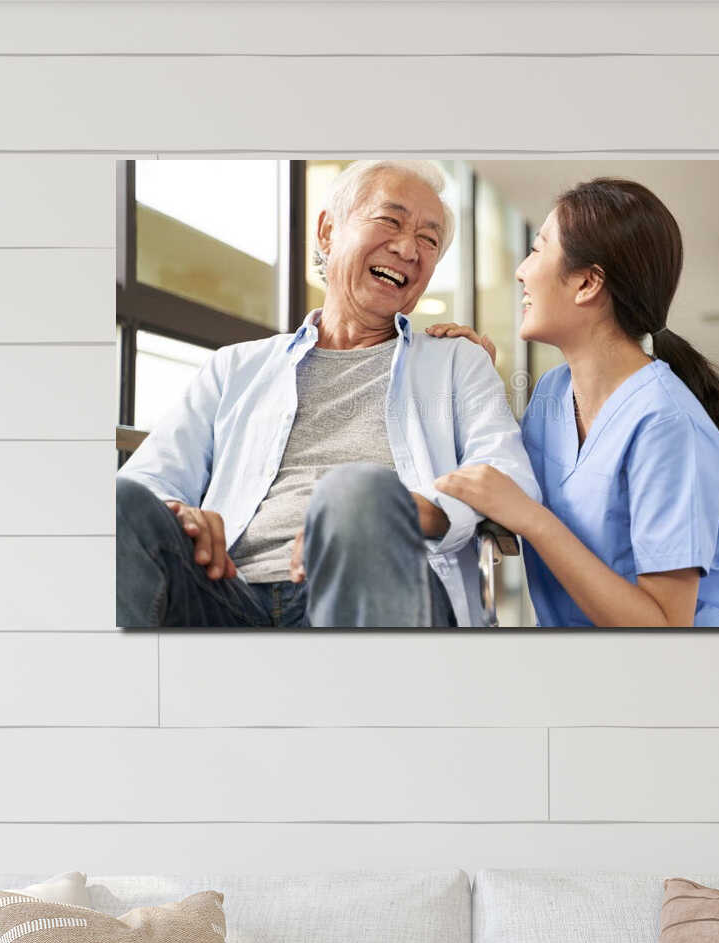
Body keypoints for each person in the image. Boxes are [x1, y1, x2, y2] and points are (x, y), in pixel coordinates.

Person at [115, 160, 538, 628]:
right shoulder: (236, 366)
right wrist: (181, 513)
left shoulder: (456, 361)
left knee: (356, 492)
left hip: (376, 590)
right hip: (226, 592)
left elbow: (508, 475)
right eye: (390, 220)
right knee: (121, 503)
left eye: (429, 239)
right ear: (327, 231)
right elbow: (152, 479)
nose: (407, 247)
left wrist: (415, 511)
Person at [430, 178, 719, 628]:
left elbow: (664, 627)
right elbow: (503, 478)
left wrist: (533, 521)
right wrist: (476, 383)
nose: (522, 270)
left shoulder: (667, 423)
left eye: (537, 249)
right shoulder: (551, 393)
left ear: (587, 282)